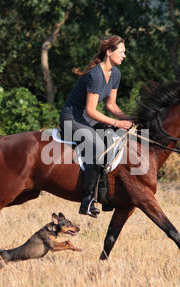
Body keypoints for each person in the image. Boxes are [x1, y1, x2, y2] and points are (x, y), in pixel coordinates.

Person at [59, 35, 133, 217]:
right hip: (71, 119)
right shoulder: (96, 75)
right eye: (121, 52)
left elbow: (111, 106)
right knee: (100, 148)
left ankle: (105, 194)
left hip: (85, 118)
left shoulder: (115, 73)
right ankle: (87, 200)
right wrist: (116, 122)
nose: (124, 56)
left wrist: (129, 120)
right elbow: (92, 110)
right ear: (109, 52)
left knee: (113, 140)